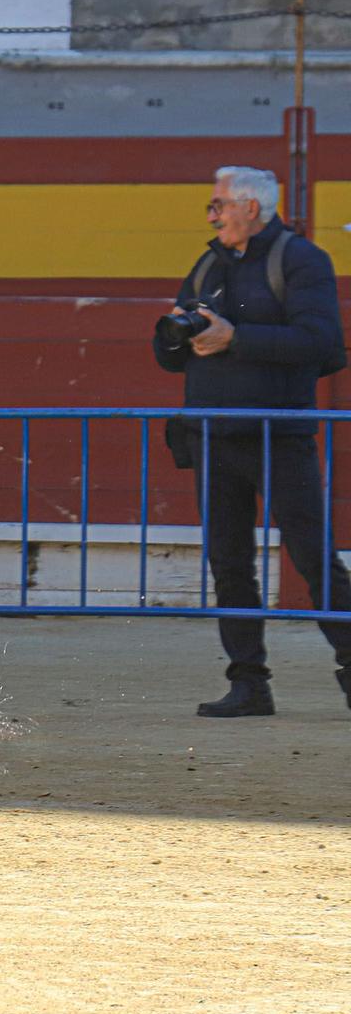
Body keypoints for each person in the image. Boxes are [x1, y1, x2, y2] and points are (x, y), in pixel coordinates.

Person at [153, 165, 351, 717]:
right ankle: (248, 683)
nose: (212, 214)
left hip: (278, 435)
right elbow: (167, 351)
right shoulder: (209, 263)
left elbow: (320, 341)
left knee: (313, 559)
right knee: (229, 563)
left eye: (219, 204)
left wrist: (234, 338)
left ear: (251, 209)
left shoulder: (301, 260)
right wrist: (173, 338)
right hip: (214, 436)